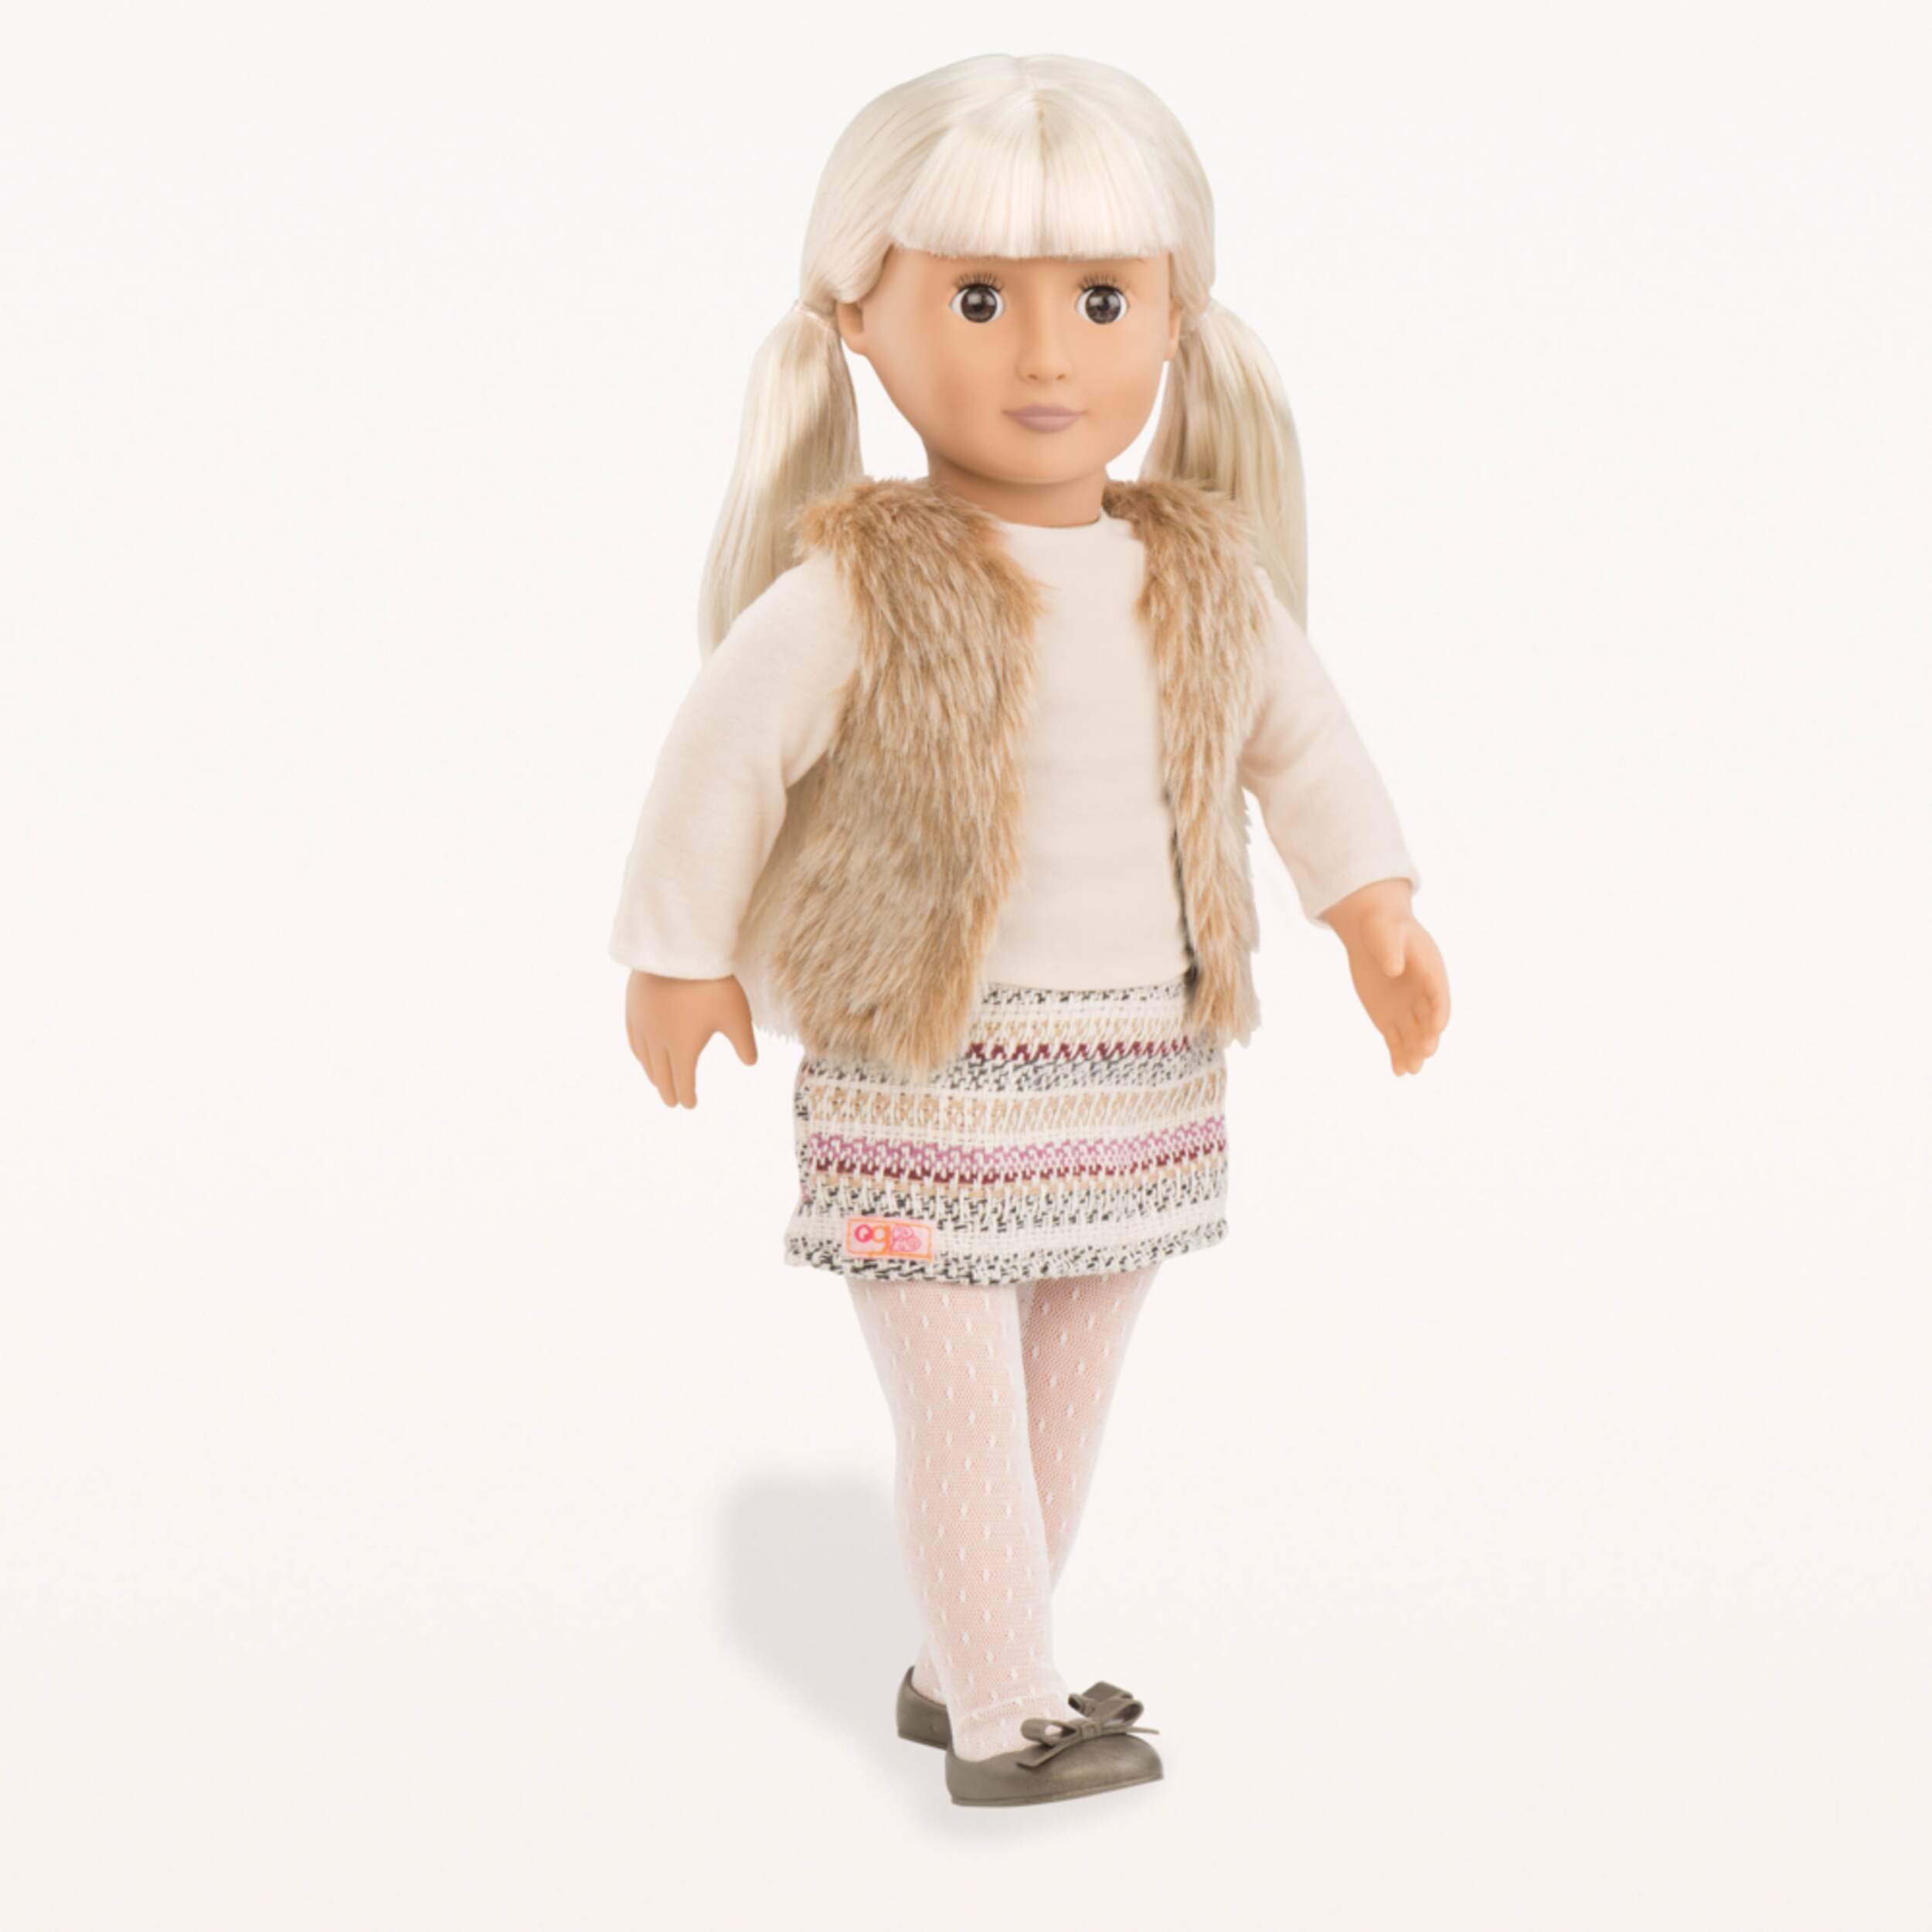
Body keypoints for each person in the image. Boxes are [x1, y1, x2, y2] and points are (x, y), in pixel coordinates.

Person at [608, 52, 1451, 1808]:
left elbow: (1303, 747)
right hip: (922, 1069)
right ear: (860, 323)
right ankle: (1004, 1711)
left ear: (1176, 316)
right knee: (965, 1409)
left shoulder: (1200, 572)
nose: (1048, 356)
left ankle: (970, 1660)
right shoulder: (861, 584)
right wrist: (677, 955)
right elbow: (722, 753)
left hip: (1140, 1062)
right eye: (981, 299)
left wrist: (1370, 905)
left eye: (1101, 300)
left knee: (1064, 1395)